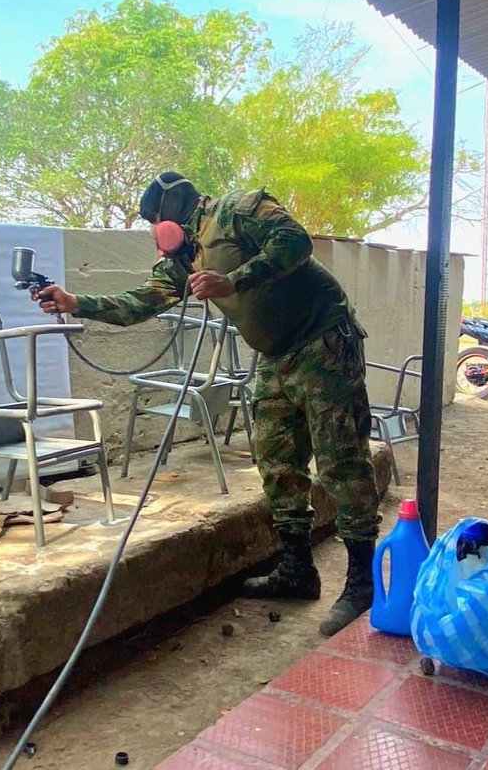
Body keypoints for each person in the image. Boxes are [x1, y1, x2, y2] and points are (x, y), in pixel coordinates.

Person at [33, 171, 382, 636]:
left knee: (341, 462)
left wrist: (233, 280)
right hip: (275, 357)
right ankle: (297, 571)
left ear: (172, 211)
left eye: (154, 222)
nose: (156, 235)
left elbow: (296, 241)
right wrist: (76, 302)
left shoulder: (237, 211)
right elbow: (141, 301)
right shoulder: (184, 259)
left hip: (324, 344)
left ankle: (362, 584)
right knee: (277, 463)